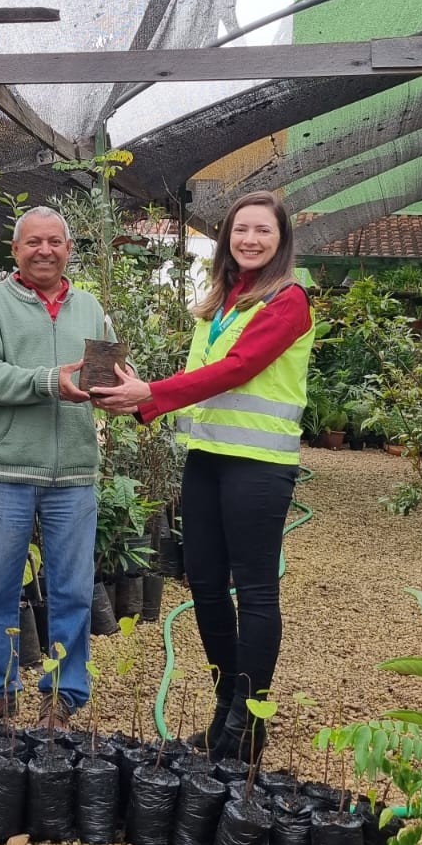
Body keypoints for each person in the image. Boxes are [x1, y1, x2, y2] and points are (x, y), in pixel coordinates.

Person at [92, 190, 313, 762]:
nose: (250, 240)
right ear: (226, 239)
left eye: (262, 231)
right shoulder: (223, 301)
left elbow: (239, 370)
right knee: (207, 587)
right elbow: (201, 377)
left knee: (256, 591)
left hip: (260, 469)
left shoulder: (288, 301)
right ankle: (225, 716)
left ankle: (249, 720)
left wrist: (153, 395)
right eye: (241, 230)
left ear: (281, 240)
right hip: (208, 460)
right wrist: (138, 397)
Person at [0, 206, 110, 731]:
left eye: (54, 242)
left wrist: (120, 386)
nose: (44, 250)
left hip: (73, 469)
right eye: (33, 242)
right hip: (8, 467)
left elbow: (106, 371)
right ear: (15, 249)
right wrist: (48, 381)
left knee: (72, 586)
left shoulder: (90, 307)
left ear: (69, 249)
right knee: (0, 584)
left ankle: (65, 693)